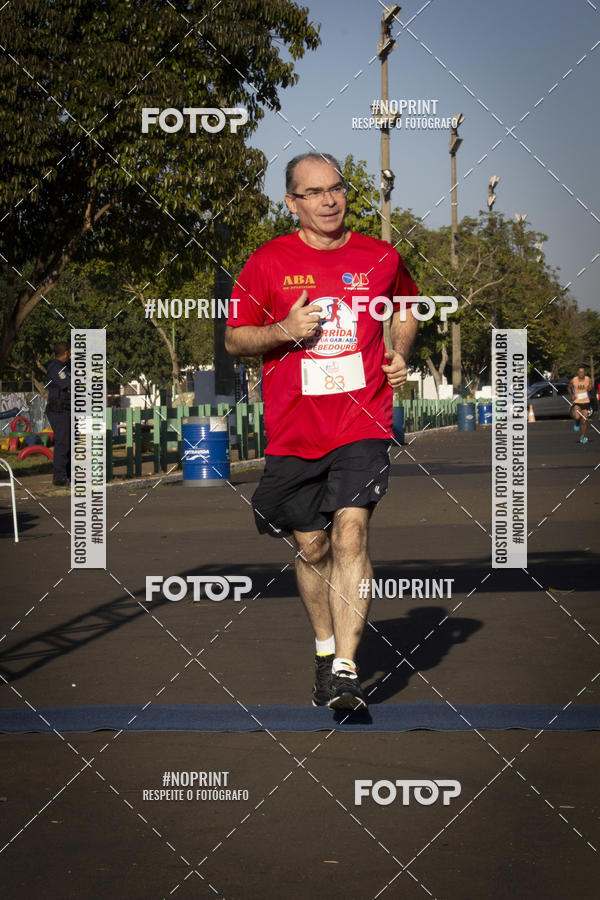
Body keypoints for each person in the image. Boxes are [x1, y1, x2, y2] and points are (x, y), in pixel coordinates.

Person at [225, 153, 419, 710]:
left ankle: (345, 670)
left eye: (336, 189)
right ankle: (323, 649)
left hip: (364, 419)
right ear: (292, 204)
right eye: (314, 193)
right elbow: (236, 339)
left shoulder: (380, 256)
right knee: (312, 548)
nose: (330, 200)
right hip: (294, 430)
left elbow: (406, 306)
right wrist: (283, 329)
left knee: (350, 534)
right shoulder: (267, 262)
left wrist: (399, 353)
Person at [45, 341, 71, 485]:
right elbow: (68, 386)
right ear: (66, 352)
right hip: (58, 410)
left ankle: (69, 474)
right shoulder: (55, 368)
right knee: (62, 443)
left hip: (67, 409)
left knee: (70, 443)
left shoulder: (67, 366)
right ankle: (59, 477)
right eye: (70, 352)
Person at [569, 366, 592, 444]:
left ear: (584, 372)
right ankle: (576, 422)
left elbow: (590, 387)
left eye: (583, 372)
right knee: (577, 416)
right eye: (580, 372)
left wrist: (590, 388)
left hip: (585, 402)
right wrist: (572, 395)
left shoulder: (588, 379)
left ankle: (582, 436)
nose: (581, 373)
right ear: (578, 373)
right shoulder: (574, 380)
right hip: (577, 402)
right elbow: (569, 388)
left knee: (584, 421)